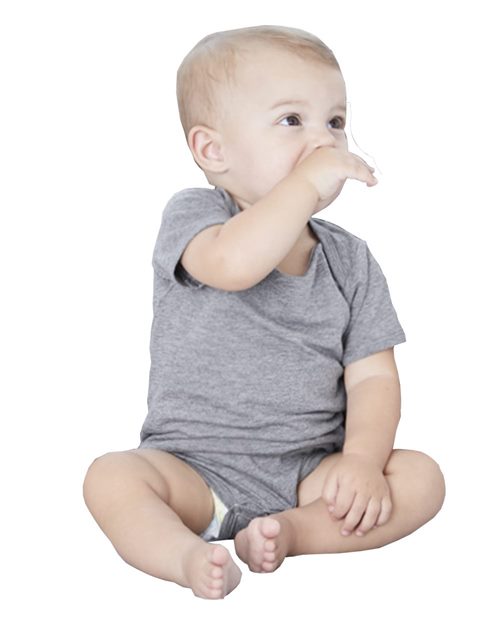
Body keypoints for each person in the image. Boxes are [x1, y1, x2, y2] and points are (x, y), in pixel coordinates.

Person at [83, 25, 446, 600]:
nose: (325, 142)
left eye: (335, 121)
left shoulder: (349, 259)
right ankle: (185, 555)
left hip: (309, 472)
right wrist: (303, 184)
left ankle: (286, 535)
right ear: (212, 150)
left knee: (420, 479)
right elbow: (234, 265)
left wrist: (360, 461)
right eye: (292, 121)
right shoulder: (197, 218)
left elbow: (375, 377)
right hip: (192, 468)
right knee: (111, 476)